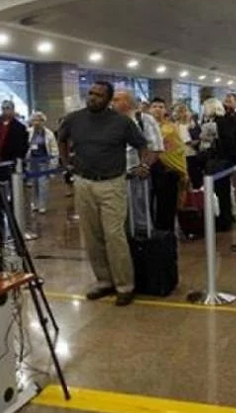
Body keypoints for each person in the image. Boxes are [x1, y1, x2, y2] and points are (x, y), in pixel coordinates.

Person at [59, 81, 147, 307]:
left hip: (112, 183)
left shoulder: (121, 122)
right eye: (90, 93)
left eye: (98, 95)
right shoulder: (74, 119)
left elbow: (141, 144)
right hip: (83, 182)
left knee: (114, 235)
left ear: (108, 100)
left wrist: (143, 164)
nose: (92, 97)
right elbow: (62, 138)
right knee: (92, 235)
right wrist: (66, 163)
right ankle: (104, 280)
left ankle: (125, 285)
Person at [111, 90, 163, 231]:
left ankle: (142, 236)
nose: (112, 103)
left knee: (139, 210)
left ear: (128, 102)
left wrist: (144, 167)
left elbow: (156, 148)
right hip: (115, 175)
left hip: (137, 175)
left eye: (116, 100)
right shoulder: (110, 121)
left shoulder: (144, 120)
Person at [150, 98, 189, 231]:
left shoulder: (171, 128)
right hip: (151, 170)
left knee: (168, 204)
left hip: (169, 170)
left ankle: (168, 233)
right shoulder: (145, 128)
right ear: (150, 109)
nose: (157, 109)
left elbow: (178, 149)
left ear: (165, 110)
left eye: (161, 107)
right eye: (154, 106)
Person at [202, 97, 236, 231]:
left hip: (220, 160)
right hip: (221, 159)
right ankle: (225, 217)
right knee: (223, 191)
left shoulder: (219, 122)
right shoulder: (220, 121)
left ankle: (224, 220)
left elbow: (225, 142)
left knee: (221, 191)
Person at [0, 100, 29, 181]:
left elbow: (24, 146)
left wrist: (18, 160)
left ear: (13, 109)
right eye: (3, 108)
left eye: (7, 108)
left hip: (11, 162)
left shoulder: (20, 127)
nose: (5, 111)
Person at [27, 112, 58, 214]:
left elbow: (54, 150)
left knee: (43, 184)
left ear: (43, 121)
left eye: (39, 120)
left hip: (44, 162)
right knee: (34, 184)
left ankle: (42, 205)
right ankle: (35, 203)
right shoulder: (28, 132)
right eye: (34, 120)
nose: (36, 122)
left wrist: (53, 165)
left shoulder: (49, 134)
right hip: (31, 162)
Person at [173, 103, 203, 188]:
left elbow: (199, 138)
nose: (184, 114)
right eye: (181, 112)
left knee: (195, 179)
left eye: (185, 111)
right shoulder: (175, 126)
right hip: (180, 156)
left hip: (193, 155)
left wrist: (193, 142)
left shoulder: (194, 125)